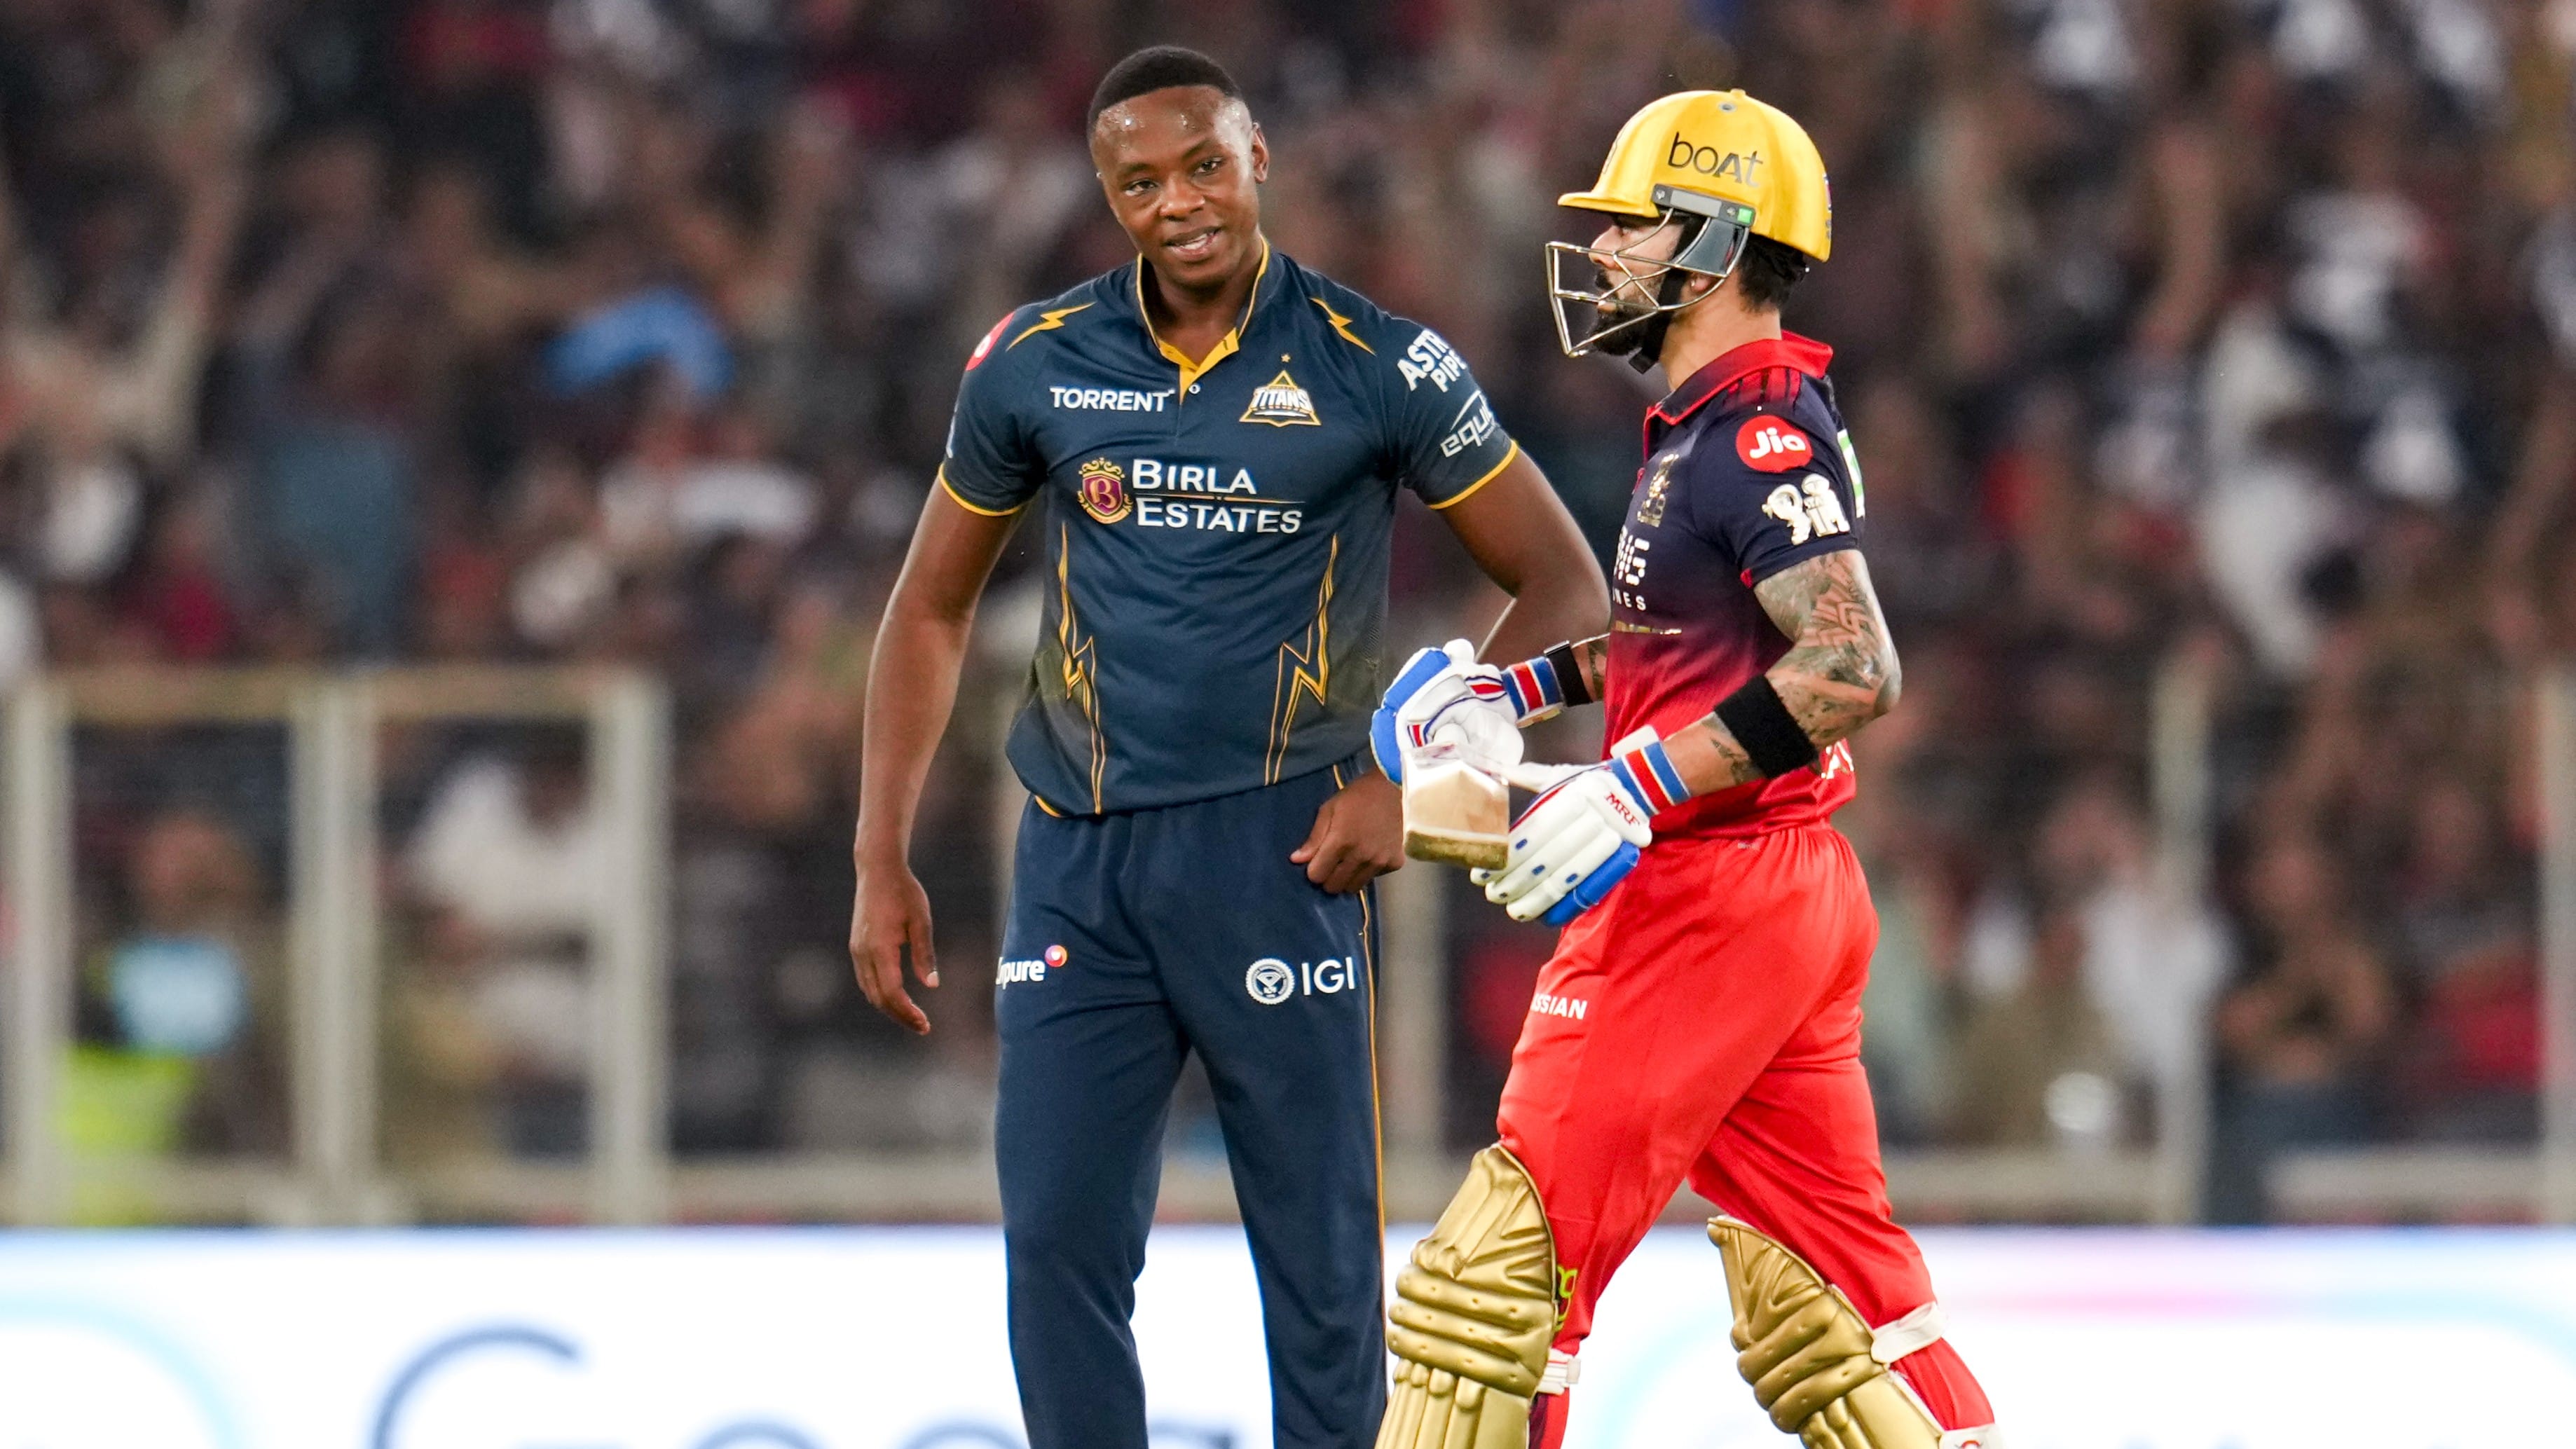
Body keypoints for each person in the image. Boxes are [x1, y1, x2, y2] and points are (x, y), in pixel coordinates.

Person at [847, 47, 1607, 1449]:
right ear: (1107, 196)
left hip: (1280, 853)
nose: (1179, 202)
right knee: (1058, 1252)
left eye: (1203, 164)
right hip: (1075, 859)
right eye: (1140, 181)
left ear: (1257, 158)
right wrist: (878, 852)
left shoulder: (1377, 364)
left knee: (1317, 1271)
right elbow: (929, 604)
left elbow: (1568, 589)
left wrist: (1412, 776)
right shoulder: (1032, 362)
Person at [1371, 91, 2001, 1449]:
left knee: (1494, 1287)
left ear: (1711, 244)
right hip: (1772, 891)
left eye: (1626, 229)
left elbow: (1849, 668)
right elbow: (1686, 644)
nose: (1598, 257)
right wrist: (1522, 687)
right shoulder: (1713, 427)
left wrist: (1639, 784)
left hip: (1702, 897)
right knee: (1837, 1318)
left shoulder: (1753, 433)